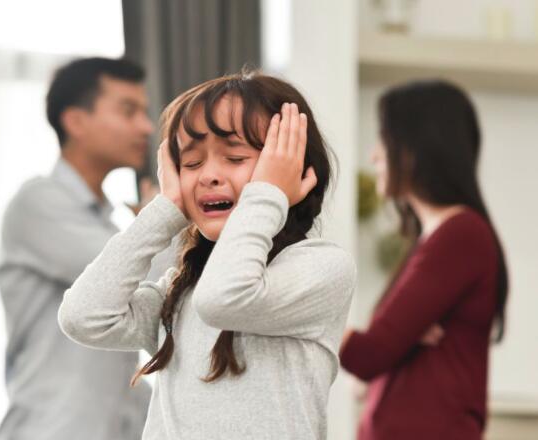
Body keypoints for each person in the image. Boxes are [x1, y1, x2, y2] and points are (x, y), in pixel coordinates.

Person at [58, 72, 356, 439]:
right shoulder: (180, 289)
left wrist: (268, 193)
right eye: (191, 163)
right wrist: (165, 209)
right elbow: (83, 316)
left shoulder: (321, 267)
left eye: (235, 157)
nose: (208, 176)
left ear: (291, 171)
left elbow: (224, 300)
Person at [0, 57, 156, 440]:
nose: (146, 127)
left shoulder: (105, 221)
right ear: (76, 121)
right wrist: (161, 221)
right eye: (128, 111)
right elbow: (147, 280)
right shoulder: (39, 204)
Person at [340, 80, 509, 440]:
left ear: (416, 148)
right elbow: (369, 368)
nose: (374, 156)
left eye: (383, 140)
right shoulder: (434, 238)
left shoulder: (460, 235)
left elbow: (370, 355)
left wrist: (305, 319)